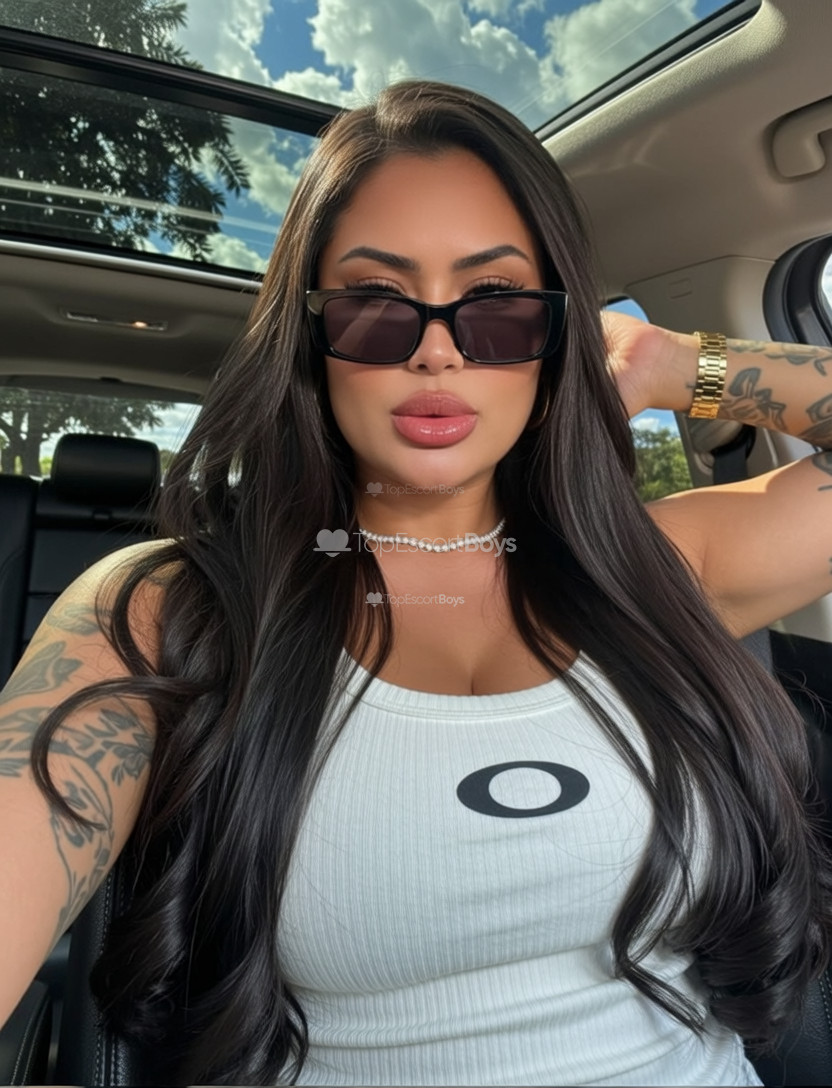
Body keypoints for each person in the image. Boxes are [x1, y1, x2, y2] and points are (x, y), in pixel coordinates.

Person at [2, 78, 832, 1087]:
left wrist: (670, 362)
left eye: (498, 305)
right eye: (373, 303)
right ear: (310, 335)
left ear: (552, 336)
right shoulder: (165, 611)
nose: (437, 348)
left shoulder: (656, 569)